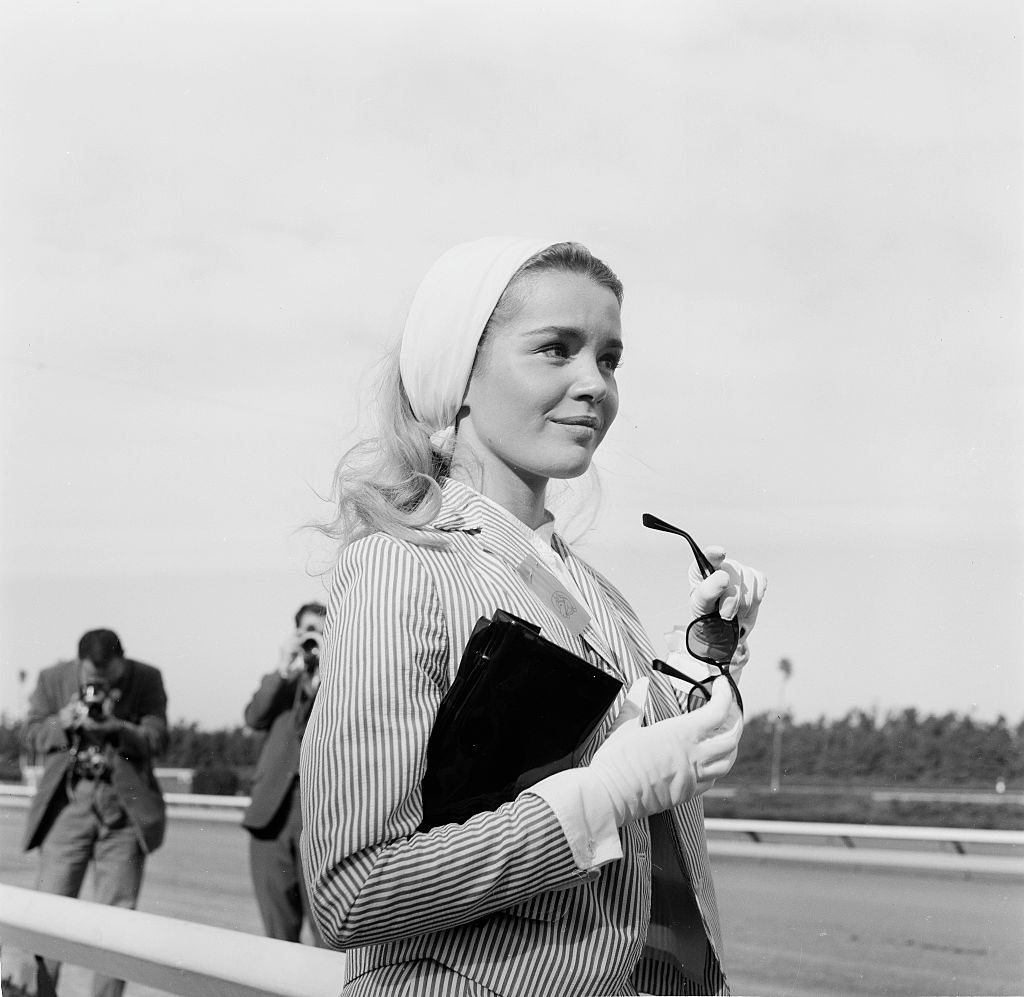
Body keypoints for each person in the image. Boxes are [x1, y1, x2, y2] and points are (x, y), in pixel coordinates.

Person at [300, 238, 767, 996]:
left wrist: (715, 645)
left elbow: (658, 781)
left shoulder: (596, 593)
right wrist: (597, 800)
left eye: (610, 359)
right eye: (556, 349)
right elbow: (349, 888)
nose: (596, 385)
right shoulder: (403, 565)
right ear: (459, 378)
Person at [21, 628, 168, 997]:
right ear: (78, 664)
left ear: (123, 661)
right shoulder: (52, 679)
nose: (99, 685)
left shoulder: (147, 679)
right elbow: (30, 733)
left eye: (108, 678)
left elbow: (158, 739)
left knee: (115, 921)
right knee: (49, 913)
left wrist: (119, 727)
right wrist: (63, 721)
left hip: (123, 809)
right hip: (68, 805)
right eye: (92, 678)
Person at [242, 601, 327, 945]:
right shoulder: (279, 682)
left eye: (322, 633)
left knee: (326, 938)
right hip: (271, 818)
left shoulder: (346, 681)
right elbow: (253, 717)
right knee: (277, 938)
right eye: (308, 632)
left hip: (319, 818)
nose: (314, 640)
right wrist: (283, 668)